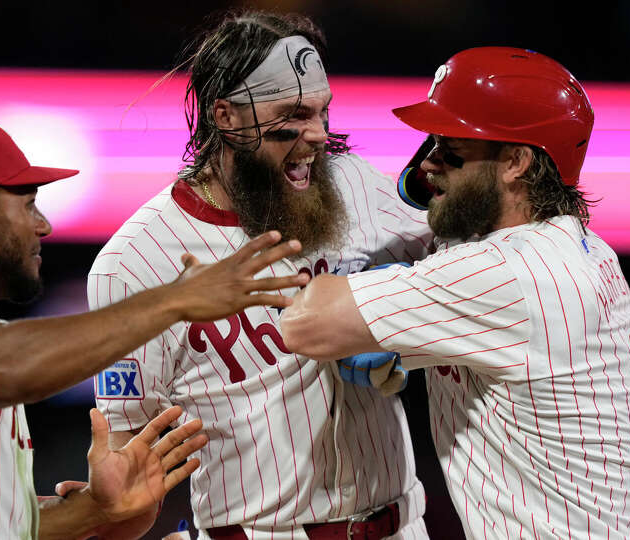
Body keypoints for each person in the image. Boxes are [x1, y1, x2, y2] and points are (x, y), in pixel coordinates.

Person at [0, 120, 310, 540]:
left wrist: (94, 511)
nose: (44, 225)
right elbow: (2, 367)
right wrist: (175, 299)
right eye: (28, 204)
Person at [281, 47, 630, 539]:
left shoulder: (509, 273)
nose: (429, 163)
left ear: (516, 161)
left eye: (452, 146)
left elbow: (306, 323)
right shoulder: (576, 247)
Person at [89, 11, 433, 540]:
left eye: (323, 111)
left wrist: (393, 300)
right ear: (225, 116)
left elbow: (458, 261)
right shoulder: (135, 263)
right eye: (294, 113)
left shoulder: (352, 184)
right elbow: (130, 463)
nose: (318, 135)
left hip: (399, 525)